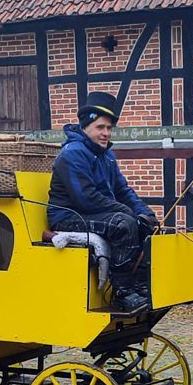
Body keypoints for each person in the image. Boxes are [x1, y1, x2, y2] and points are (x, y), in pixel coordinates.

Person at [47, 91, 159, 313]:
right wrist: (130, 214)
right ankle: (122, 293)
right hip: (68, 217)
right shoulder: (72, 154)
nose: (106, 133)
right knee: (124, 224)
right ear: (85, 126)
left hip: (93, 214)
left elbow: (123, 190)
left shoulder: (107, 156)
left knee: (145, 225)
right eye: (100, 127)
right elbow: (86, 199)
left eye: (109, 128)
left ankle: (139, 286)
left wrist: (146, 214)